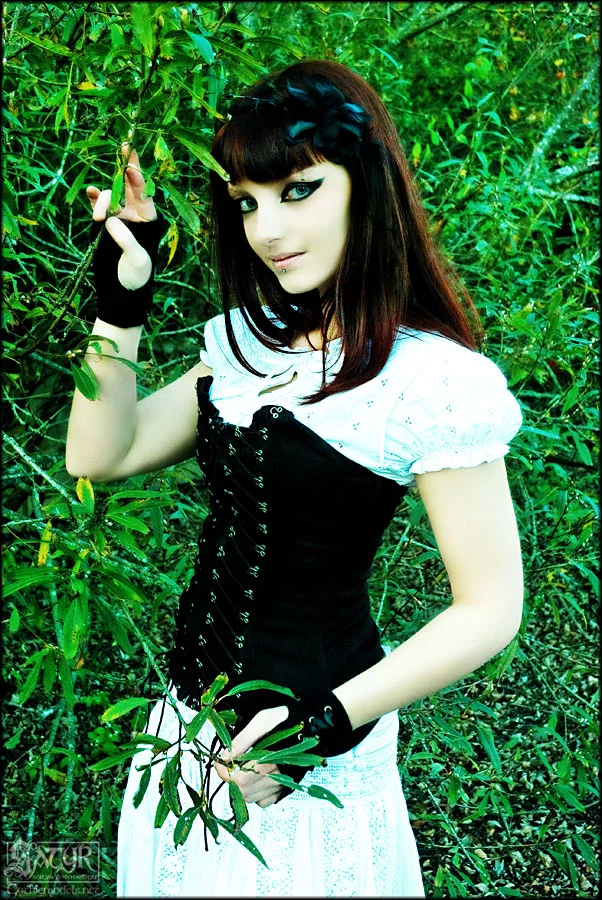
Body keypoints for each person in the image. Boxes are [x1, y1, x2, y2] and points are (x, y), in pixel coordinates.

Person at [65, 59, 524, 897]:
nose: (268, 229)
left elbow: (490, 609)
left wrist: (315, 731)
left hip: (311, 761)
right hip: (184, 739)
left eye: (298, 191)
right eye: (247, 202)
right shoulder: (249, 344)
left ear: (365, 186)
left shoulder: (433, 382)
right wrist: (122, 296)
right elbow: (100, 456)